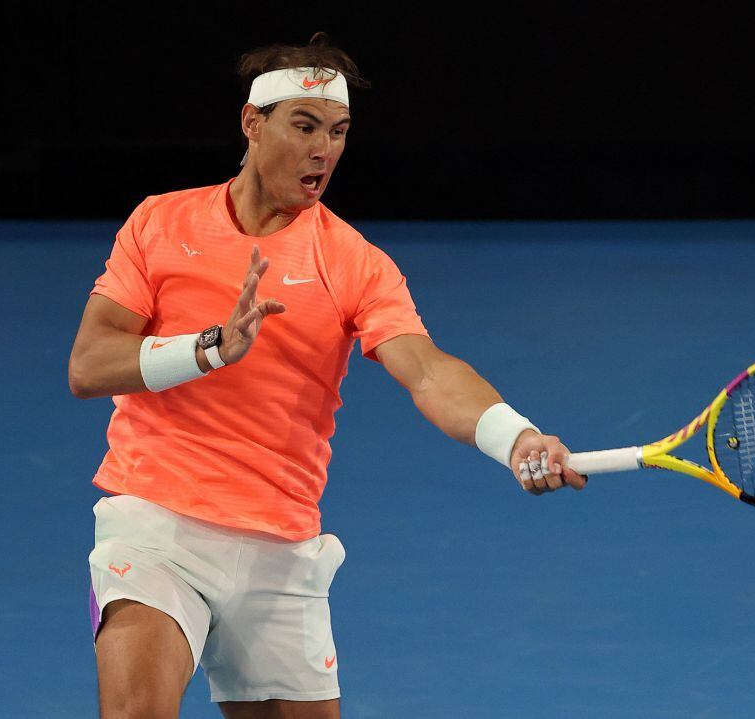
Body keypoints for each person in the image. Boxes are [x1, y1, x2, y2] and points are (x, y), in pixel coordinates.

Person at [68, 33, 586, 719]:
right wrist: (208, 348)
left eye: (338, 132)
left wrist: (513, 435)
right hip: (157, 522)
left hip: (280, 544)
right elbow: (89, 364)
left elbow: (427, 370)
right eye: (305, 125)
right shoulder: (161, 223)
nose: (324, 150)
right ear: (252, 124)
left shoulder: (354, 262)